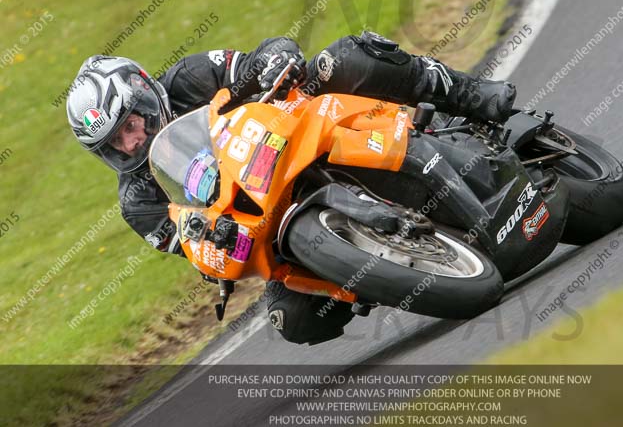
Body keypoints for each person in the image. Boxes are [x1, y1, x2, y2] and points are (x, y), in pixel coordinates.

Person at [65, 31, 516, 345]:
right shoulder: (138, 201)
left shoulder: (189, 78)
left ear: (145, 93)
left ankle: (473, 97)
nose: (132, 141)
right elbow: (192, 245)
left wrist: (277, 58)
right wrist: (208, 248)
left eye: (131, 123)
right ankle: (382, 271)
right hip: (264, 222)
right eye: (115, 144)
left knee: (345, 57)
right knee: (294, 321)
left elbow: (258, 57)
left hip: (299, 136)